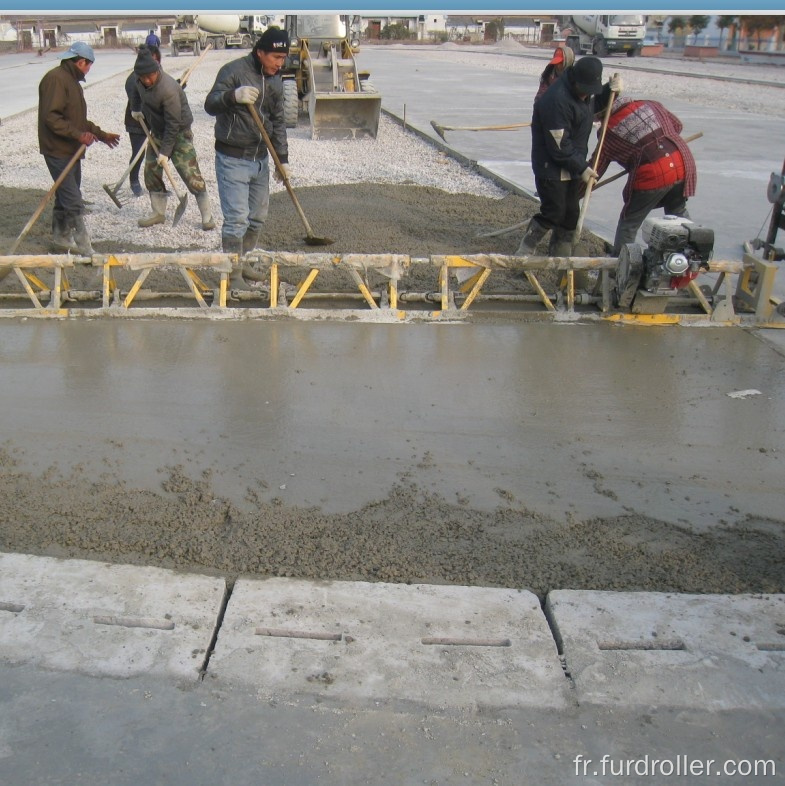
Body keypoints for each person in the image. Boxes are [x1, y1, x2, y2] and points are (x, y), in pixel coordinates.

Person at [204, 26, 291, 290]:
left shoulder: (275, 81)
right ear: (260, 52)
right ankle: (232, 275)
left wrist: (282, 159)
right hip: (233, 157)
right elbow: (210, 103)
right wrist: (233, 96)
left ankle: (244, 264)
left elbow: (277, 122)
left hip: (260, 159)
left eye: (283, 57)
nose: (280, 63)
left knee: (257, 218)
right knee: (237, 219)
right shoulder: (234, 71)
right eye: (276, 57)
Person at [516, 56, 622, 258]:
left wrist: (610, 91)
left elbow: (592, 106)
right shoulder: (556, 101)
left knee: (571, 214)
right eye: (585, 90)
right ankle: (526, 249)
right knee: (554, 211)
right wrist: (581, 168)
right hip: (551, 166)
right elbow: (559, 146)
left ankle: (560, 254)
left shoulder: (582, 93)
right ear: (574, 80)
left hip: (573, 162)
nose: (587, 95)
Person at [38, 41, 120, 255]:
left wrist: (102, 135)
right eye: (89, 65)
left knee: (65, 194)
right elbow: (51, 117)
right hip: (57, 149)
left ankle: (60, 236)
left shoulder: (72, 82)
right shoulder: (56, 79)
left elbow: (78, 120)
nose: (89, 70)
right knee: (72, 197)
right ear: (82, 62)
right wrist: (78, 135)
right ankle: (84, 245)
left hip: (71, 149)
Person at [588, 96, 697, 255]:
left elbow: (596, 167)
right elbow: (677, 125)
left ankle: (621, 263)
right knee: (677, 211)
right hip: (682, 162)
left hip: (654, 173)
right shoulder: (650, 103)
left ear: (601, 114)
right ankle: (691, 254)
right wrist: (658, 142)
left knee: (629, 222)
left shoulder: (608, 132)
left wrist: (577, 192)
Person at [130, 46, 215, 230]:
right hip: (157, 130)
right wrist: (136, 109)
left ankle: (207, 216)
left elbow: (173, 123)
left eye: (149, 76)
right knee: (151, 171)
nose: (146, 80)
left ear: (157, 70)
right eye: (142, 77)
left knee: (190, 173)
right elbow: (135, 92)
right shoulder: (138, 80)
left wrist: (165, 152)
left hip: (179, 132)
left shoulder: (168, 88)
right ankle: (158, 213)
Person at [124, 44, 161, 197]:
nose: (154, 64)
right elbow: (136, 98)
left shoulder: (158, 74)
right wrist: (137, 109)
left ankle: (157, 185)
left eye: (157, 60)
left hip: (154, 119)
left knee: (158, 154)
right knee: (138, 152)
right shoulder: (134, 78)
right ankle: (134, 181)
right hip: (137, 121)